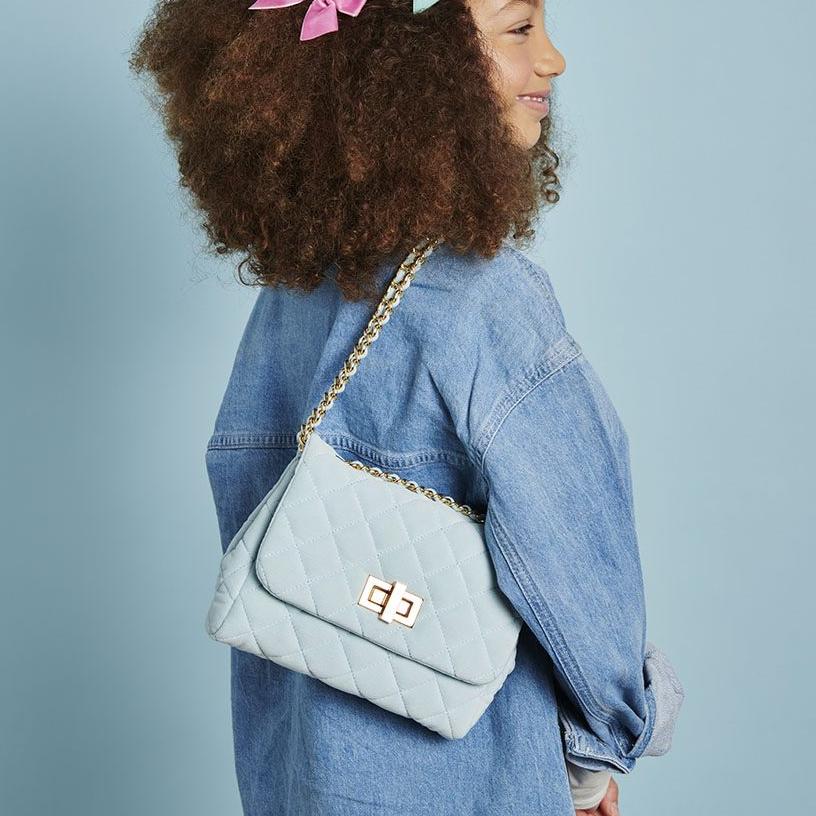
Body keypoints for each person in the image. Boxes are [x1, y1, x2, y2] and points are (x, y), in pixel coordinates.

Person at [130, 0, 685, 813]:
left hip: (299, 783)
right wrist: (595, 758)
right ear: (420, 63)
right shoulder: (489, 301)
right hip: (474, 783)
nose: (553, 59)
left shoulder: (292, 299)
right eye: (519, 28)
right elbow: (576, 561)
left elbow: (254, 530)